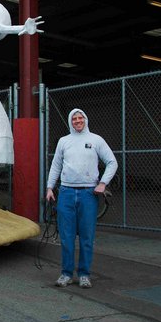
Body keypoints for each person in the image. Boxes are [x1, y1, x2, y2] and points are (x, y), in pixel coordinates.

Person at [46, 109, 117, 289]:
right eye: (74, 119)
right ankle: (66, 274)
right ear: (70, 121)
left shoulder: (96, 140)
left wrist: (103, 183)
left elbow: (112, 162)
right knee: (66, 237)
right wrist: (49, 187)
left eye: (80, 118)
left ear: (85, 119)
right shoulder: (64, 141)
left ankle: (84, 274)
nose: (77, 121)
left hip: (88, 194)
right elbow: (56, 165)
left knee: (87, 237)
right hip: (66, 193)